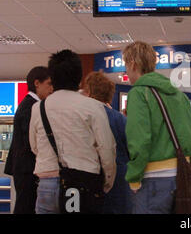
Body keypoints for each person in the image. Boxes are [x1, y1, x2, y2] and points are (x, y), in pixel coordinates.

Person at [29, 50, 117, 214]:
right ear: (79, 77)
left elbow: (34, 147)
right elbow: (106, 148)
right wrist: (107, 182)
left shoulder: (37, 108)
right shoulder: (93, 107)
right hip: (81, 183)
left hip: (47, 183)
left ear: (52, 78)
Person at [122, 41, 191, 214]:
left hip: (153, 180)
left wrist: (134, 177)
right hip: (183, 177)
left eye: (126, 66)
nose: (126, 71)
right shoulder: (180, 96)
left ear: (133, 64)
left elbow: (140, 140)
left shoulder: (139, 93)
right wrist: (189, 167)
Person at [4, 66, 53, 214]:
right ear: (37, 83)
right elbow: (31, 142)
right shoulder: (31, 107)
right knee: (26, 206)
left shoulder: (29, 104)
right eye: (49, 84)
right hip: (27, 169)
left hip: (25, 168)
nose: (52, 89)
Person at [84, 71, 133, 214]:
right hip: (119, 181)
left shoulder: (83, 118)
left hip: (91, 180)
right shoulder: (121, 119)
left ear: (89, 92)